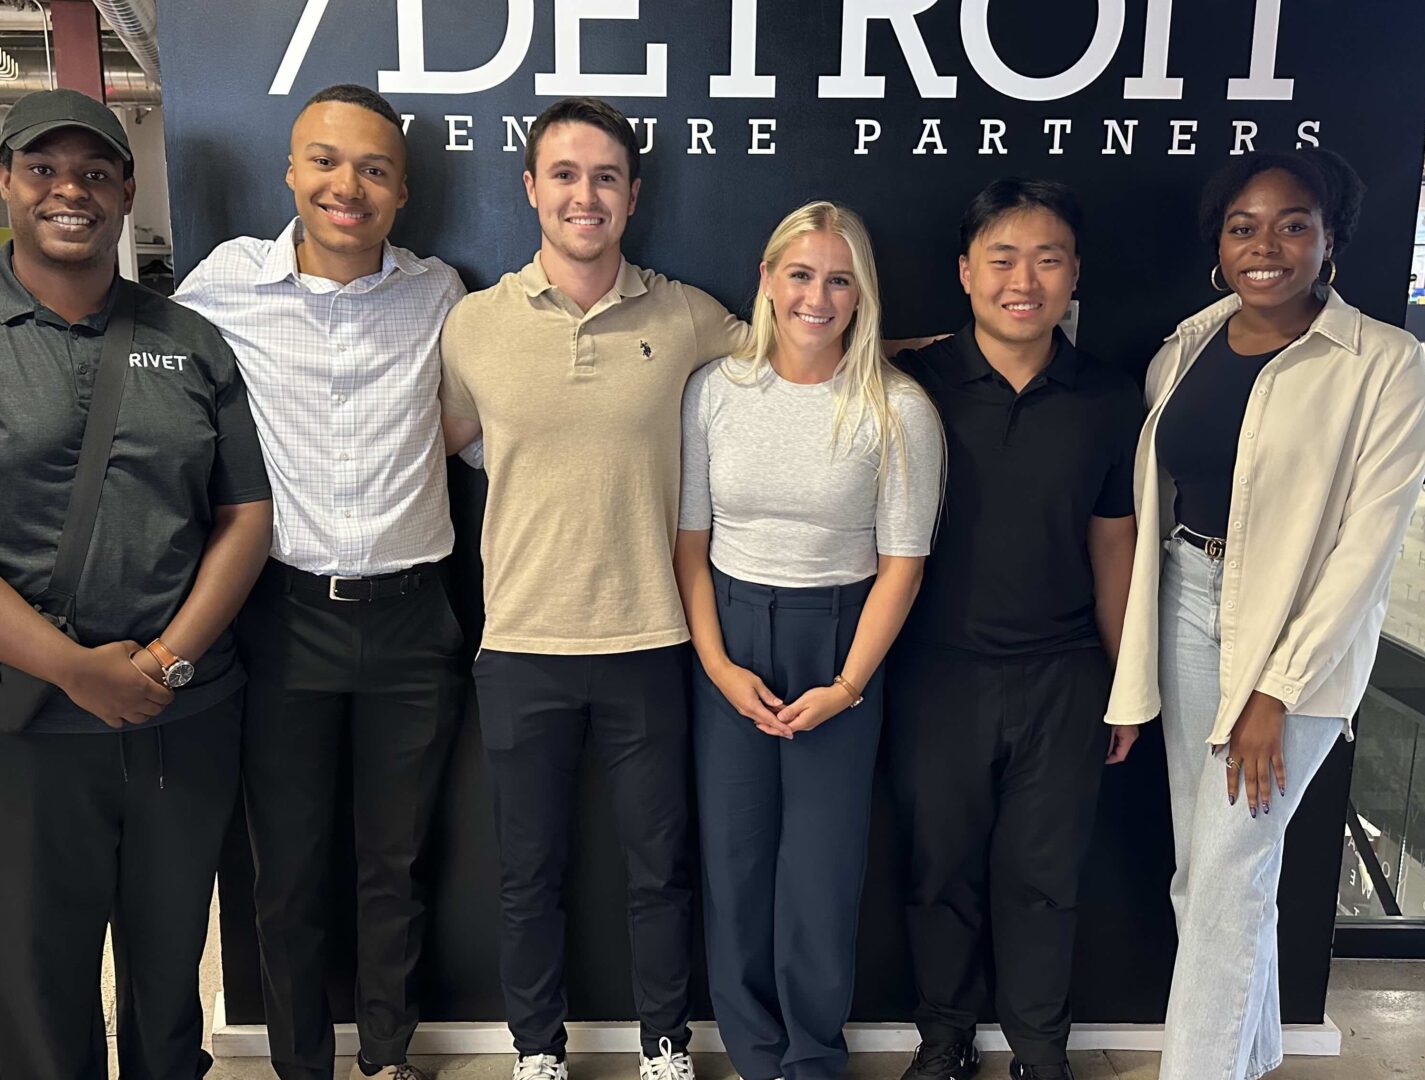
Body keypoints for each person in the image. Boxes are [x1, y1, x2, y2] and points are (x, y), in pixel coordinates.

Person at [0, 89, 274, 1079]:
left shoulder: (191, 341)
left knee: (170, 977)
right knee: (39, 987)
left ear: (127, 190)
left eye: (94, 172)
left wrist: (166, 663)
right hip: (14, 729)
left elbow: (244, 514)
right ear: (7, 181)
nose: (69, 190)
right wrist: (76, 670)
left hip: (180, 719)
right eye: (44, 169)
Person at [437, 96, 751, 1080]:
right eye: (564, 175)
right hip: (521, 644)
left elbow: (804, 357)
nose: (585, 194)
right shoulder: (473, 325)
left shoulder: (690, 316)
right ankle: (538, 1051)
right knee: (528, 874)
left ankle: (664, 1045)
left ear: (632, 195)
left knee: (660, 870)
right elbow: (436, 444)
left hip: (651, 640)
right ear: (530, 189)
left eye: (605, 176)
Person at [1105, 150, 1425, 1080]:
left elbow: (1363, 556)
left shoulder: (1383, 364)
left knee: (1224, 883)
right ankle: (1247, 1062)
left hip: (1298, 651)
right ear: (1218, 243)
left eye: (1293, 223)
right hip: (1182, 605)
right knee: (1210, 877)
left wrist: (1274, 694)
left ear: (1330, 239)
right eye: (1243, 226)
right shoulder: (1190, 344)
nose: (1266, 246)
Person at [175, 83, 466, 1080]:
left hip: (413, 623)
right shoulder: (219, 288)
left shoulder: (441, 295)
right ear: (292, 172)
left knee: (397, 868)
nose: (350, 185)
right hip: (281, 617)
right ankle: (302, 1066)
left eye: (374, 169)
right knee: (285, 874)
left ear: (401, 191)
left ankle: (386, 1059)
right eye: (328, 162)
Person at [676, 200, 942, 1080]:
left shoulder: (897, 409)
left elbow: (901, 567)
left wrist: (849, 683)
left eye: (839, 279)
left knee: (821, 879)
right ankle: (756, 1056)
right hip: (733, 636)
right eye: (800, 273)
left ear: (862, 295)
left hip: (843, 645)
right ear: (766, 279)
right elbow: (691, 544)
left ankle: (812, 1061)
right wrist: (717, 665)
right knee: (738, 866)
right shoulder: (715, 391)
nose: (817, 297)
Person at [887, 179, 1143, 1080]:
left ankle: (1040, 1051)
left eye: (1047, 258)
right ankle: (945, 1040)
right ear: (965, 272)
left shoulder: (1110, 399)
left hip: (1064, 675)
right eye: (1001, 257)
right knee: (939, 873)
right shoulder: (913, 384)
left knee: (1044, 883)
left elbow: (1115, 548)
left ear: (1074, 274)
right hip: (935, 675)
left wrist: (1127, 680)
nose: (1022, 279)